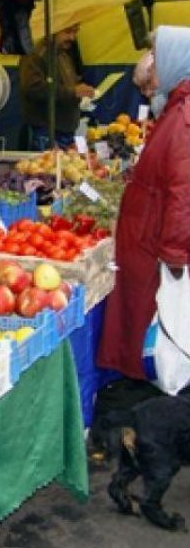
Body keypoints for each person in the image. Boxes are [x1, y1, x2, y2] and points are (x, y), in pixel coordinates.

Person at [97, 25, 190, 379]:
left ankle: (162, 396)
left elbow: (184, 193)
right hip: (149, 241)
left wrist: (175, 257)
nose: (151, 78)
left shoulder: (184, 118)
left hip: (157, 248)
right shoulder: (175, 107)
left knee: (164, 334)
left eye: (156, 66)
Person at [19, 23, 96, 150]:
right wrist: (73, 92)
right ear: (53, 30)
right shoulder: (36, 55)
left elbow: (65, 85)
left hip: (64, 132)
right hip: (46, 133)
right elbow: (33, 88)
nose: (72, 37)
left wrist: (80, 90)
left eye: (75, 32)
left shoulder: (62, 54)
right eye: (67, 32)